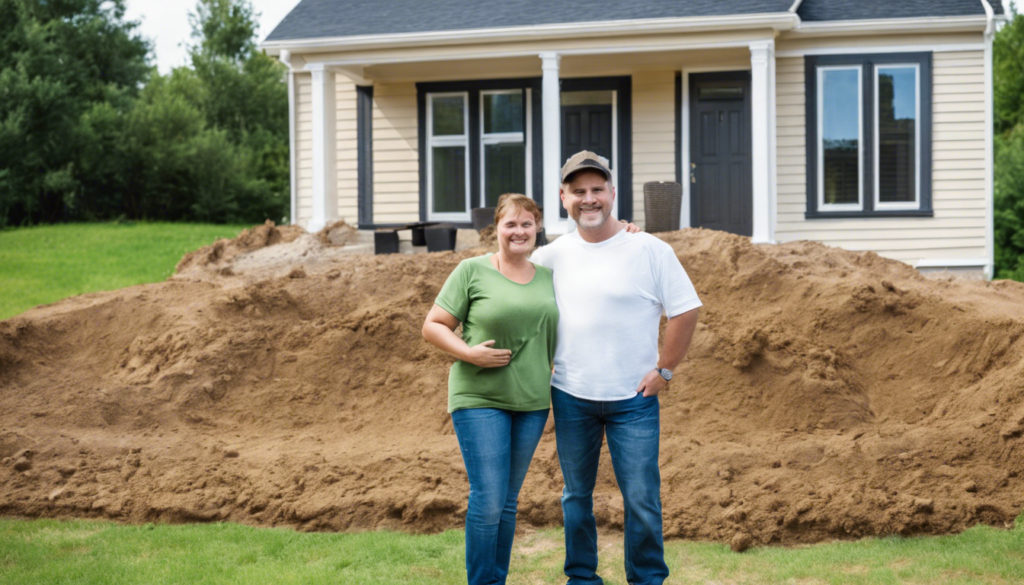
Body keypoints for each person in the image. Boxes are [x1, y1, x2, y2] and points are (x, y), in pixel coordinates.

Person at [530, 151, 702, 585]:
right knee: (575, 497)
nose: (589, 199)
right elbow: (510, 285)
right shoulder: (550, 257)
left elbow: (684, 311)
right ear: (563, 197)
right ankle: (582, 578)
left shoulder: (648, 248)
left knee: (642, 498)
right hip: (570, 395)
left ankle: (647, 579)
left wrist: (664, 370)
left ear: (612, 193)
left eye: (597, 190)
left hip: (635, 399)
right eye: (579, 192)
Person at [421, 193, 557, 585]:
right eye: (510, 224)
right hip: (480, 397)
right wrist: (468, 353)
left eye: (526, 224)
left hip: (531, 401)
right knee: (489, 498)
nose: (519, 231)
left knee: (508, 503)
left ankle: (495, 579)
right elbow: (433, 325)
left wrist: (631, 232)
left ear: (538, 228)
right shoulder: (472, 270)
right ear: (495, 229)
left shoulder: (548, 275)